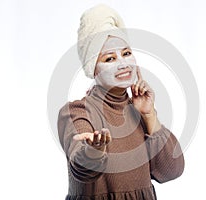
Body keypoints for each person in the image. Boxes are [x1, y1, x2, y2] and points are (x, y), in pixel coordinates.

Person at [57, 4, 184, 200]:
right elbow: (81, 169)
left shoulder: (139, 111)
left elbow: (171, 171)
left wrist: (149, 115)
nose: (123, 63)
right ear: (94, 70)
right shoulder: (77, 111)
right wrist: (94, 150)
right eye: (109, 59)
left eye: (126, 53)